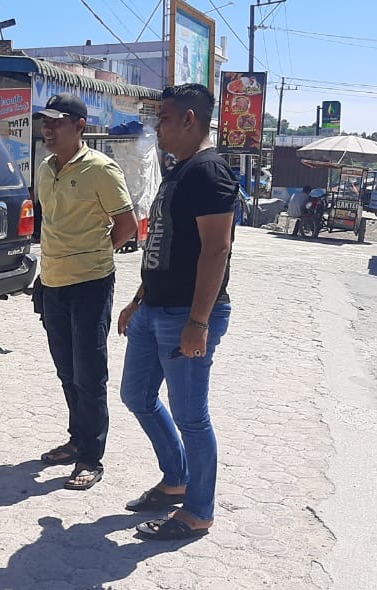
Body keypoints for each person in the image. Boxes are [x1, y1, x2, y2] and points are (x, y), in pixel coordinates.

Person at [117, 83, 236, 541]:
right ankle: (176, 480)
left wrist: (198, 323)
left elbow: (216, 249)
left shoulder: (209, 172)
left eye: (163, 118)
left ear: (189, 119)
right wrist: (138, 299)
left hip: (186, 314)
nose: (157, 127)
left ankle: (198, 511)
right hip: (155, 308)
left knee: (192, 417)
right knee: (136, 395)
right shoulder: (179, 170)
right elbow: (164, 247)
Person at [33, 92, 139, 491]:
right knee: (67, 369)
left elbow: (127, 226)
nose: (48, 129)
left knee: (89, 374)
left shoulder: (101, 169)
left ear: (80, 126)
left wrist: (94, 255)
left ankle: (91, 458)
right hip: (52, 282)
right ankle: (77, 439)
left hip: (90, 285)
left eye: (56, 122)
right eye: (45, 122)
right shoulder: (46, 169)